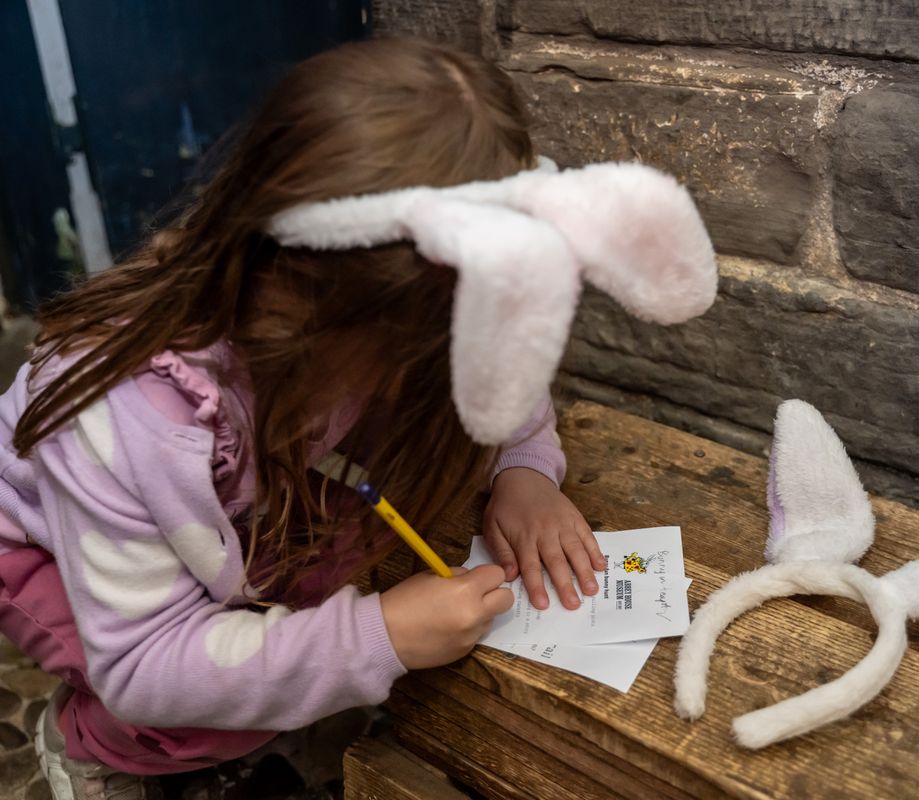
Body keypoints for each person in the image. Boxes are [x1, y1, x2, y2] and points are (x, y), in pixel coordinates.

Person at [0, 38, 608, 799]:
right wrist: (372, 638)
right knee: (195, 715)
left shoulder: (356, 326)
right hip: (53, 548)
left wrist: (523, 468)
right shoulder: (128, 414)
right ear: (297, 299)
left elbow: (500, 389)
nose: (448, 382)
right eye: (422, 360)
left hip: (237, 493)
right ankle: (90, 748)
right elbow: (143, 662)